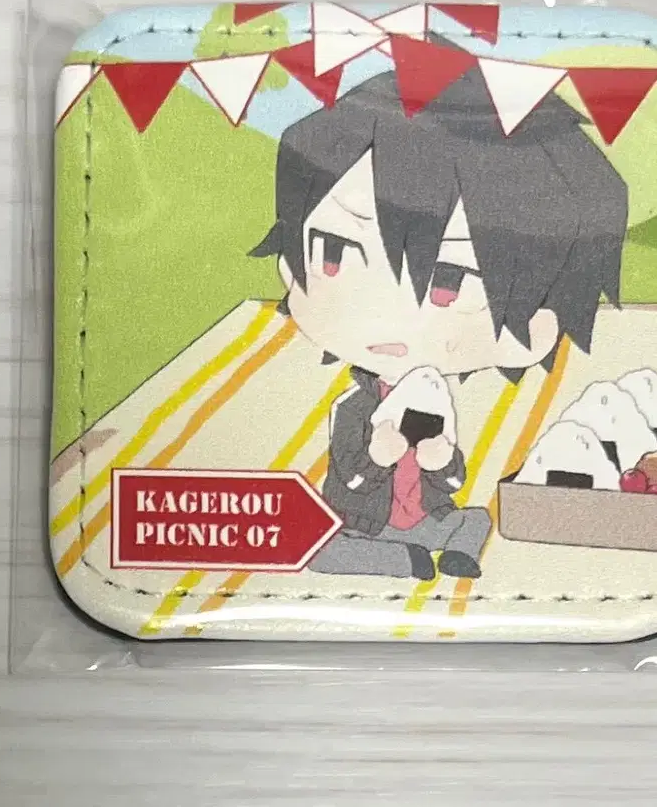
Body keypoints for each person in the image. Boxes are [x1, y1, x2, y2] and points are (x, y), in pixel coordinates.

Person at [251, 61, 628, 579]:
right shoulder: (353, 407)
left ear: (536, 329)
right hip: (363, 523)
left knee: (472, 519)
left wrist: (440, 460)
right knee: (319, 546)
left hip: (428, 521)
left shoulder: (436, 402)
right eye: (333, 250)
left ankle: (445, 551)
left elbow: (451, 482)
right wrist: (377, 457)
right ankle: (400, 561)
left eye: (448, 279)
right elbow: (347, 484)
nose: (385, 310)